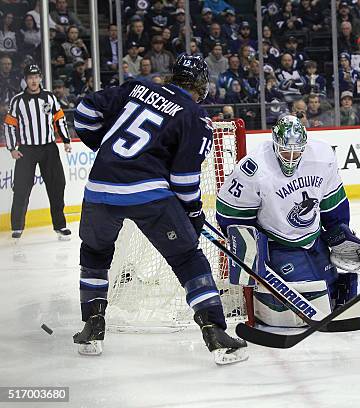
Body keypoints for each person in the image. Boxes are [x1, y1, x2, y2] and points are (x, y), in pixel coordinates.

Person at [71, 54, 247, 365]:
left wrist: (105, 147)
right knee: (187, 257)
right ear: (202, 86)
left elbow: (84, 111)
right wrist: (193, 214)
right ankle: (215, 332)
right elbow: (184, 180)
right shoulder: (195, 117)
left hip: (100, 188)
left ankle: (92, 326)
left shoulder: (136, 87)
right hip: (148, 195)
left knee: (95, 253)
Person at [216, 115, 360, 327]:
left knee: (330, 285)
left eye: (297, 151)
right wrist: (250, 246)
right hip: (278, 243)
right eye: (285, 150)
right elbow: (230, 211)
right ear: (274, 143)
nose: (291, 157)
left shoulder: (322, 156)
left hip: (313, 238)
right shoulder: (254, 167)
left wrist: (339, 232)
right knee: (307, 291)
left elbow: (333, 200)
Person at [3, 64, 72, 241]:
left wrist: (65, 140)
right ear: (25, 80)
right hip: (27, 150)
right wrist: (12, 148)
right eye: (30, 77)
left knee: (57, 185)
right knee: (20, 188)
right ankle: (17, 227)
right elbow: (9, 124)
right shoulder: (17, 101)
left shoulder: (49, 97)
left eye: (36, 77)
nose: (33, 80)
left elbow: (59, 118)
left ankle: (60, 225)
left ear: (40, 78)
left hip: (49, 147)